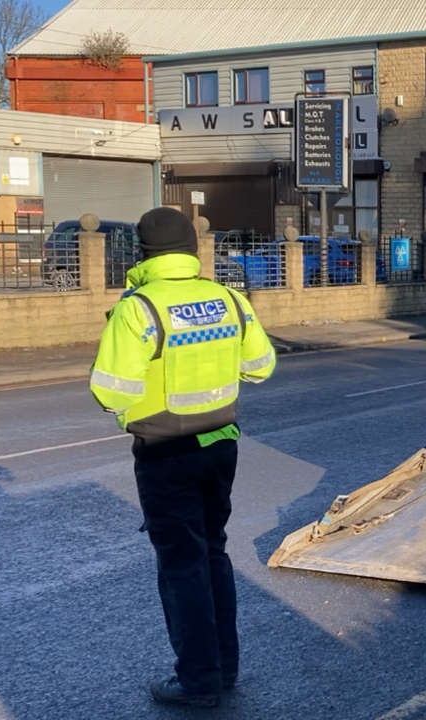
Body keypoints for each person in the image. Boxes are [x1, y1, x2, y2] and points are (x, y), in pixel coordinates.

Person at [89, 207, 276, 708]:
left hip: (165, 453)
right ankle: (224, 669)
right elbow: (261, 367)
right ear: (194, 249)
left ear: (142, 254)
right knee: (213, 551)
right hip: (221, 444)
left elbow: (109, 390)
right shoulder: (228, 298)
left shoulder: (139, 308)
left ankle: (198, 682)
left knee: (182, 565)